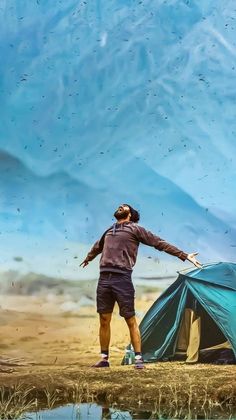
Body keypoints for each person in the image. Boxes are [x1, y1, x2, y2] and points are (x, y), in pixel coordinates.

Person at [80, 204, 202, 369]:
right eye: (119, 206)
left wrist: (184, 255)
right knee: (103, 319)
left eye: (124, 207)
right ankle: (104, 359)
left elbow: (159, 243)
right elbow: (98, 246)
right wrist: (89, 257)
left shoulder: (135, 229)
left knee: (130, 319)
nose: (120, 207)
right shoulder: (110, 230)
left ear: (130, 214)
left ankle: (138, 359)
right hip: (104, 279)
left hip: (122, 279)